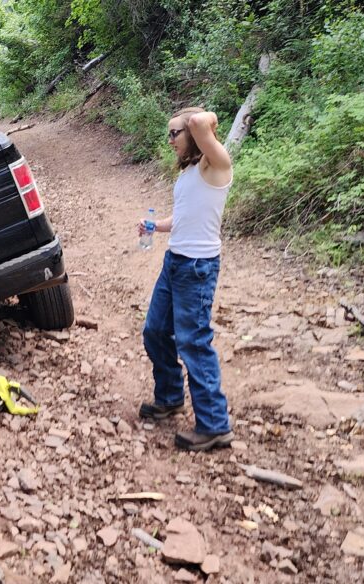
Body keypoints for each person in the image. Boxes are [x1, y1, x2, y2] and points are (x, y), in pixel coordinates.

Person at [136, 107, 235, 451]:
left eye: (174, 133)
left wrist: (193, 120)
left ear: (193, 133)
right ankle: (169, 397)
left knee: (193, 342)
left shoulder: (217, 165)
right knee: (155, 330)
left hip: (197, 267)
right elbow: (183, 217)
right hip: (175, 261)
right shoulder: (191, 173)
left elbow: (199, 120)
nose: (170, 141)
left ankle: (214, 426)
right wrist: (155, 226)